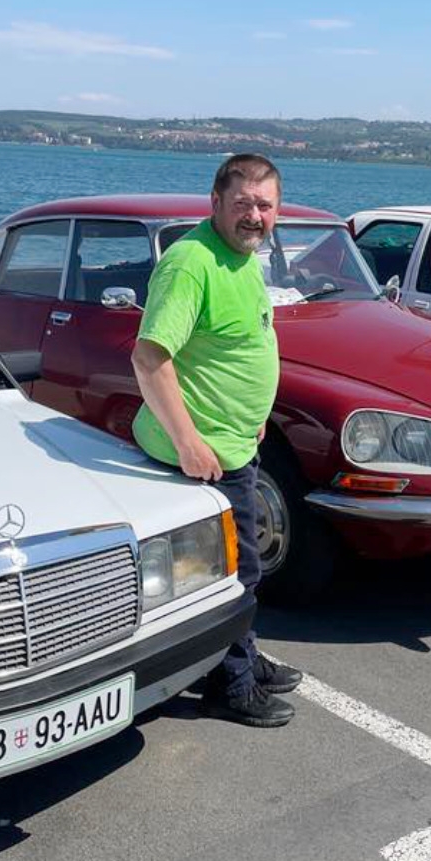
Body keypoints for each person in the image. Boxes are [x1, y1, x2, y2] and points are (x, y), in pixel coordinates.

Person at [131, 153, 302, 726]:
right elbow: (150, 357)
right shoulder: (191, 263)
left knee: (237, 568)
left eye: (265, 205)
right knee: (230, 572)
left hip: (235, 444)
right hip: (202, 456)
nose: (254, 216)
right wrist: (188, 442)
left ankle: (244, 656)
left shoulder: (244, 258)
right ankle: (229, 684)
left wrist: (255, 415)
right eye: (243, 204)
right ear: (215, 203)